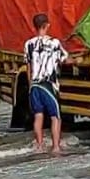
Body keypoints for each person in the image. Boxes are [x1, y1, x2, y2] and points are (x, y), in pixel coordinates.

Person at [24, 14, 68, 154]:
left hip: (35, 85)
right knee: (55, 116)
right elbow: (64, 59)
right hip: (48, 84)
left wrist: (31, 84)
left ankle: (39, 145)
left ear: (34, 26)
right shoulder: (54, 43)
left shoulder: (28, 44)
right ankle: (55, 147)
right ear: (47, 25)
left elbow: (28, 67)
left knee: (38, 115)